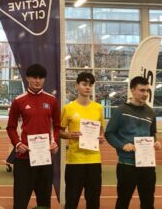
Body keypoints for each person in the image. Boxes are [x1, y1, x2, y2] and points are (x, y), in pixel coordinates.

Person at [6, 64, 60, 209]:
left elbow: (57, 126)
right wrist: (17, 144)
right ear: (27, 78)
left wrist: (54, 142)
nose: (37, 81)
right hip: (24, 159)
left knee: (44, 202)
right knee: (20, 202)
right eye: (34, 77)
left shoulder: (52, 100)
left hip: (44, 158)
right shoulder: (18, 101)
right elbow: (10, 127)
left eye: (41, 78)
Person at [105, 76, 161, 209]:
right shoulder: (121, 111)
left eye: (147, 91)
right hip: (127, 166)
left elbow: (152, 134)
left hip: (147, 165)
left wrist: (156, 143)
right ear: (132, 91)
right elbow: (109, 133)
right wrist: (122, 145)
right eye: (142, 90)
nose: (145, 94)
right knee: (123, 202)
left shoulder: (150, 112)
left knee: (148, 203)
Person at [60, 72, 105, 209]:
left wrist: (101, 138)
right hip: (75, 161)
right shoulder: (68, 108)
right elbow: (60, 131)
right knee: (72, 200)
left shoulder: (98, 108)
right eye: (84, 84)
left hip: (94, 161)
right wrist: (70, 135)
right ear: (77, 86)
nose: (88, 87)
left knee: (93, 201)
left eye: (90, 85)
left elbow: (101, 130)